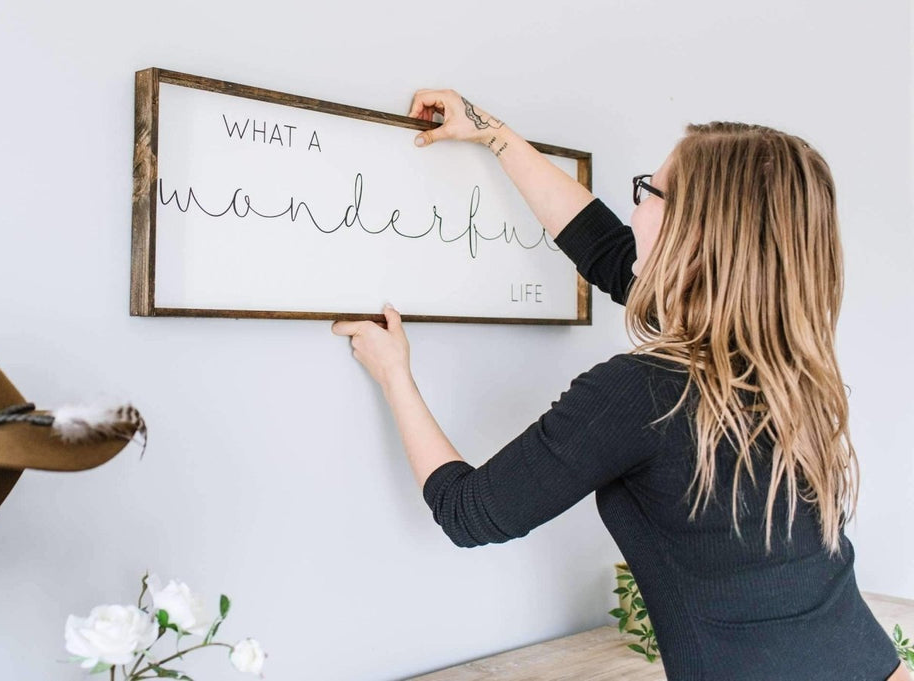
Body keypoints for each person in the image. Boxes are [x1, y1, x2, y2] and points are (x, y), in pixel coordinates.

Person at [331, 89, 910, 681]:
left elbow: (470, 512)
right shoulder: (781, 368)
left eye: (648, 192)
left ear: (695, 232)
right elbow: (608, 250)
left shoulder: (646, 394)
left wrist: (394, 373)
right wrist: (492, 133)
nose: (635, 211)